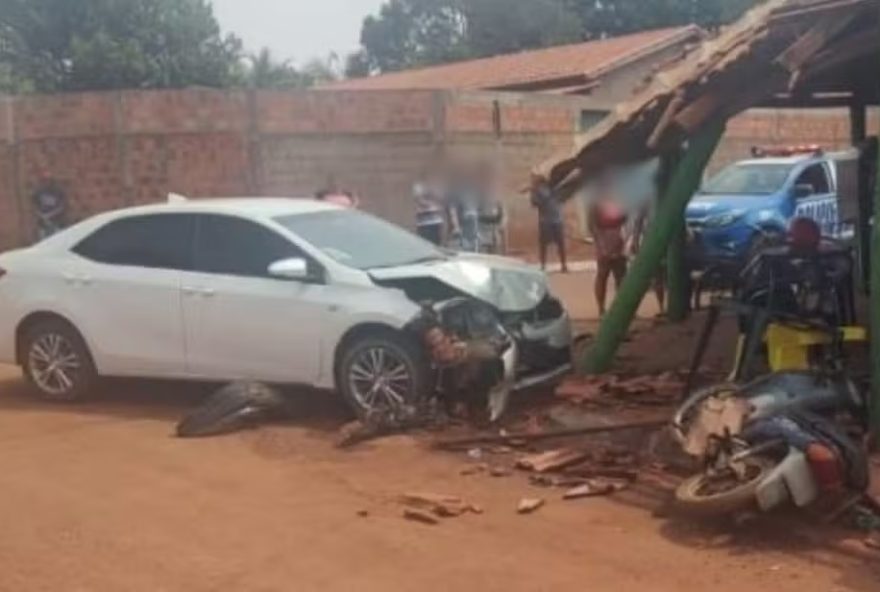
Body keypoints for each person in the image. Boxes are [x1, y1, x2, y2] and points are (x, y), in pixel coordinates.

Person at [589, 189, 628, 316]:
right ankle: (601, 308)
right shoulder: (596, 202)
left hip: (617, 238)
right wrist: (601, 246)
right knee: (603, 274)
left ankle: (621, 308)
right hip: (604, 238)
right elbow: (593, 226)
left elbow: (625, 219)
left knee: (621, 275)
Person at [530, 172, 567, 272]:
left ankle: (563, 265)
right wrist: (534, 191)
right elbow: (534, 204)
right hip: (546, 220)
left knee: (560, 244)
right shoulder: (537, 190)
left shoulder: (555, 188)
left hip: (556, 219)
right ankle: (543, 265)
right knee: (544, 244)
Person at [31, 171, 67, 241]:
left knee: (57, 241)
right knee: (44, 241)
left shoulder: (58, 191)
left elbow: (62, 207)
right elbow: (34, 206)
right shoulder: (38, 192)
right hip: (43, 223)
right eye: (44, 180)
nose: (46, 182)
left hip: (57, 222)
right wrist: (41, 215)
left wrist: (50, 215)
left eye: (48, 180)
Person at [413, 171, 445, 245]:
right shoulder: (419, 186)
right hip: (423, 222)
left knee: (437, 242)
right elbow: (419, 199)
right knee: (424, 243)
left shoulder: (437, 186)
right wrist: (431, 203)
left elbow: (441, 198)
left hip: (436, 221)